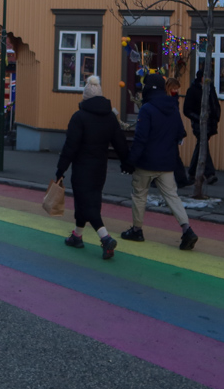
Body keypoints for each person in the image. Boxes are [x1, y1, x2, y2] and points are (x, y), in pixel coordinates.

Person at [121, 74, 199, 250]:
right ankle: (187, 229)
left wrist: (130, 161)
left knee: (140, 194)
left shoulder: (147, 109)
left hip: (146, 162)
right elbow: (180, 132)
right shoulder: (172, 107)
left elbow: (141, 139)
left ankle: (137, 230)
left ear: (149, 89)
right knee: (172, 196)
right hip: (167, 162)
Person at [55, 76, 129, 260]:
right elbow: (120, 143)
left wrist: (61, 169)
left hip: (82, 168)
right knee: (90, 201)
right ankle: (77, 236)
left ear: (85, 98)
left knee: (86, 203)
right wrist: (127, 163)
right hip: (100, 168)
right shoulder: (110, 117)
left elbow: (70, 146)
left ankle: (105, 238)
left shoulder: (79, 117)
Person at [182, 66, 221, 187]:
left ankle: (192, 173)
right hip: (199, 123)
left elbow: (215, 104)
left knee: (201, 146)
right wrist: (199, 118)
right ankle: (209, 174)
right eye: (206, 76)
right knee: (203, 145)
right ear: (201, 77)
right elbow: (187, 110)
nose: (208, 79)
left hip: (210, 123)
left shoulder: (210, 89)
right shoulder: (193, 90)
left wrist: (216, 116)